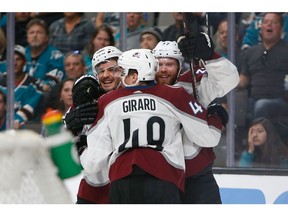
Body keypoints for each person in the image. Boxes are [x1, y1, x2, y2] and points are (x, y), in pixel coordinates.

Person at [78, 48, 224, 204]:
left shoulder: (108, 101)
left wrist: (81, 146)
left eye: (122, 72)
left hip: (123, 182)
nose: (119, 77)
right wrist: (216, 117)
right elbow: (207, 138)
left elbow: (93, 163)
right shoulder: (175, 94)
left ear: (134, 75)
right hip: (164, 180)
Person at [153, 38, 238, 204]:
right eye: (159, 64)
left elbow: (230, 78)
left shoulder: (192, 84)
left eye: (169, 64)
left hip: (197, 175)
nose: (163, 70)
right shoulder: (143, 92)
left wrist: (208, 55)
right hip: (162, 178)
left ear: (179, 66)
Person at [64, 46, 122, 204]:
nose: (106, 75)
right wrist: (70, 126)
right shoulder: (87, 99)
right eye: (101, 71)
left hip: (123, 187)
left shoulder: (133, 97)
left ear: (123, 70)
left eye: (112, 69)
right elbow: (63, 144)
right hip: (92, 189)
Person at [238, 13, 288, 142]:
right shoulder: (250, 52)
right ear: (261, 27)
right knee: (235, 101)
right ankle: (235, 148)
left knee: (261, 105)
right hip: (254, 99)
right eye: (265, 22)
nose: (269, 24)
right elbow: (244, 79)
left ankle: (257, 149)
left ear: (281, 28)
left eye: (273, 22)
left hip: (280, 101)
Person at [0, 45, 43, 128]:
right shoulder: (0, 81)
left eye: (18, 59)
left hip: (24, 129)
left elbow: (28, 110)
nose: (14, 63)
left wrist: (14, 122)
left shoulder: (34, 85)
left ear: (24, 62)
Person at [25, 18, 65, 93]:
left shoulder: (56, 56)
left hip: (45, 96)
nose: (35, 35)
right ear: (27, 37)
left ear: (47, 37)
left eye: (39, 32)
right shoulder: (20, 54)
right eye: (31, 32)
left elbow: (51, 84)